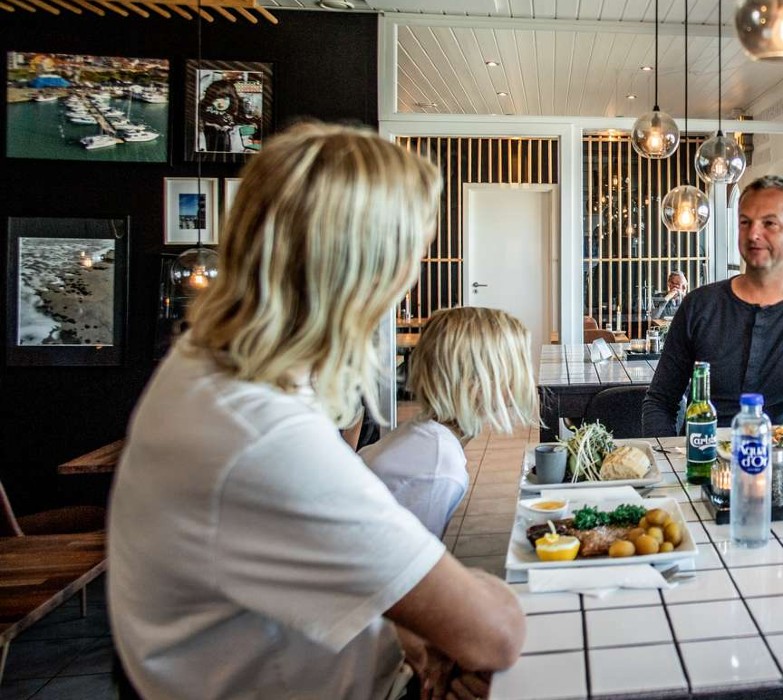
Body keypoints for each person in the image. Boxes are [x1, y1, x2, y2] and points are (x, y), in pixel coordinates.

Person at [109, 123, 523, 700]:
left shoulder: (207, 369)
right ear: (359, 272)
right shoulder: (262, 435)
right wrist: (458, 608)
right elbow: (496, 634)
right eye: (409, 257)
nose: (409, 282)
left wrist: (411, 630)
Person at [641, 176, 783, 435]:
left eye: (769, 223)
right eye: (745, 222)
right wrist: (670, 459)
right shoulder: (699, 305)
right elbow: (660, 402)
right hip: (702, 460)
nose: (754, 234)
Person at [361, 306, 536, 537]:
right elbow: (414, 570)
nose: (524, 377)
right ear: (475, 382)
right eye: (514, 367)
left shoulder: (422, 437)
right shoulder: (436, 468)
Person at [197, 77, 256, 153]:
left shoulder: (234, 112)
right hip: (211, 143)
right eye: (215, 100)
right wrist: (212, 125)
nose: (220, 103)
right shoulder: (207, 112)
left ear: (231, 99)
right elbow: (202, 123)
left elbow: (241, 122)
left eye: (224, 99)